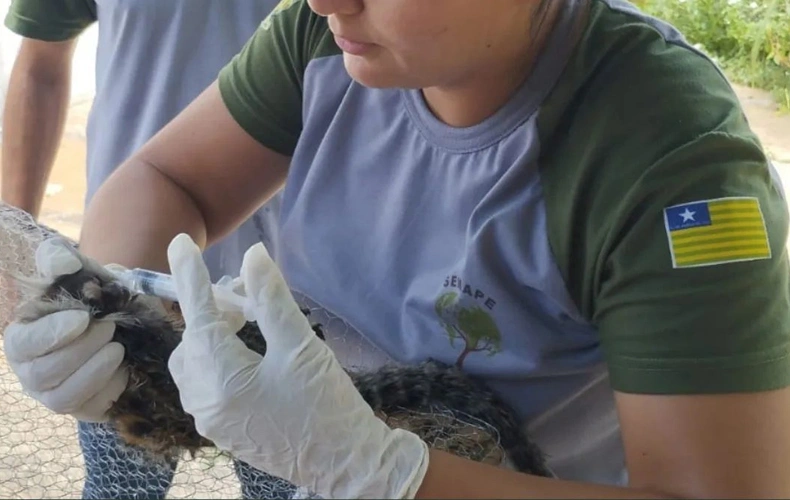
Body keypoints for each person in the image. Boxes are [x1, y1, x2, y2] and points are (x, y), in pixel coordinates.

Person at [5, 0, 790, 497]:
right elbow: (170, 177)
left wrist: (388, 475)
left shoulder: (668, 158)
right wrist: (121, 325)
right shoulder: (320, 42)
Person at [0, 1, 289, 498]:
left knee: (291, 487)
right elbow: (40, 67)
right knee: (120, 490)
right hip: (120, 288)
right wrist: (11, 250)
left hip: (288, 300)